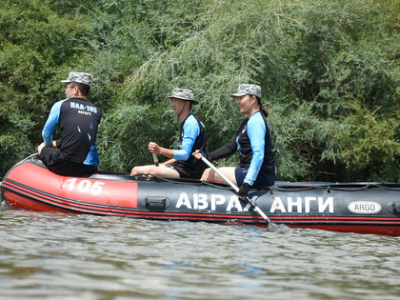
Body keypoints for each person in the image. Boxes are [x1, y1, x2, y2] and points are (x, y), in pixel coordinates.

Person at [193, 84, 275, 199]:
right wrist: (207, 156)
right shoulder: (248, 121)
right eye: (238, 99)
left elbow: (259, 155)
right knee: (209, 172)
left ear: (253, 99)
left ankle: (200, 210)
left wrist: (247, 183)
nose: (238, 101)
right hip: (251, 172)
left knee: (207, 173)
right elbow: (231, 146)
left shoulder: (256, 122)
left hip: (260, 175)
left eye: (241, 98)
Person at [130, 88, 207, 179]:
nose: (172, 105)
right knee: (135, 170)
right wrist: (163, 164)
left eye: (176, 101)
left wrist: (159, 150)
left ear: (187, 103)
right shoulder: (187, 121)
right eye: (172, 101)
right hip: (180, 167)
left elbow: (185, 155)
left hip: (189, 171)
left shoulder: (191, 123)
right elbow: (186, 155)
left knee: (150, 172)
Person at [38, 72, 102, 177]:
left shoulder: (61, 105)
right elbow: (82, 137)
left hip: (65, 164)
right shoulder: (96, 111)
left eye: (67, 87)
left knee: (42, 147)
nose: (65, 91)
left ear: (76, 89)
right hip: (89, 168)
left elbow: (46, 133)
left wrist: (48, 144)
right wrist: (57, 143)